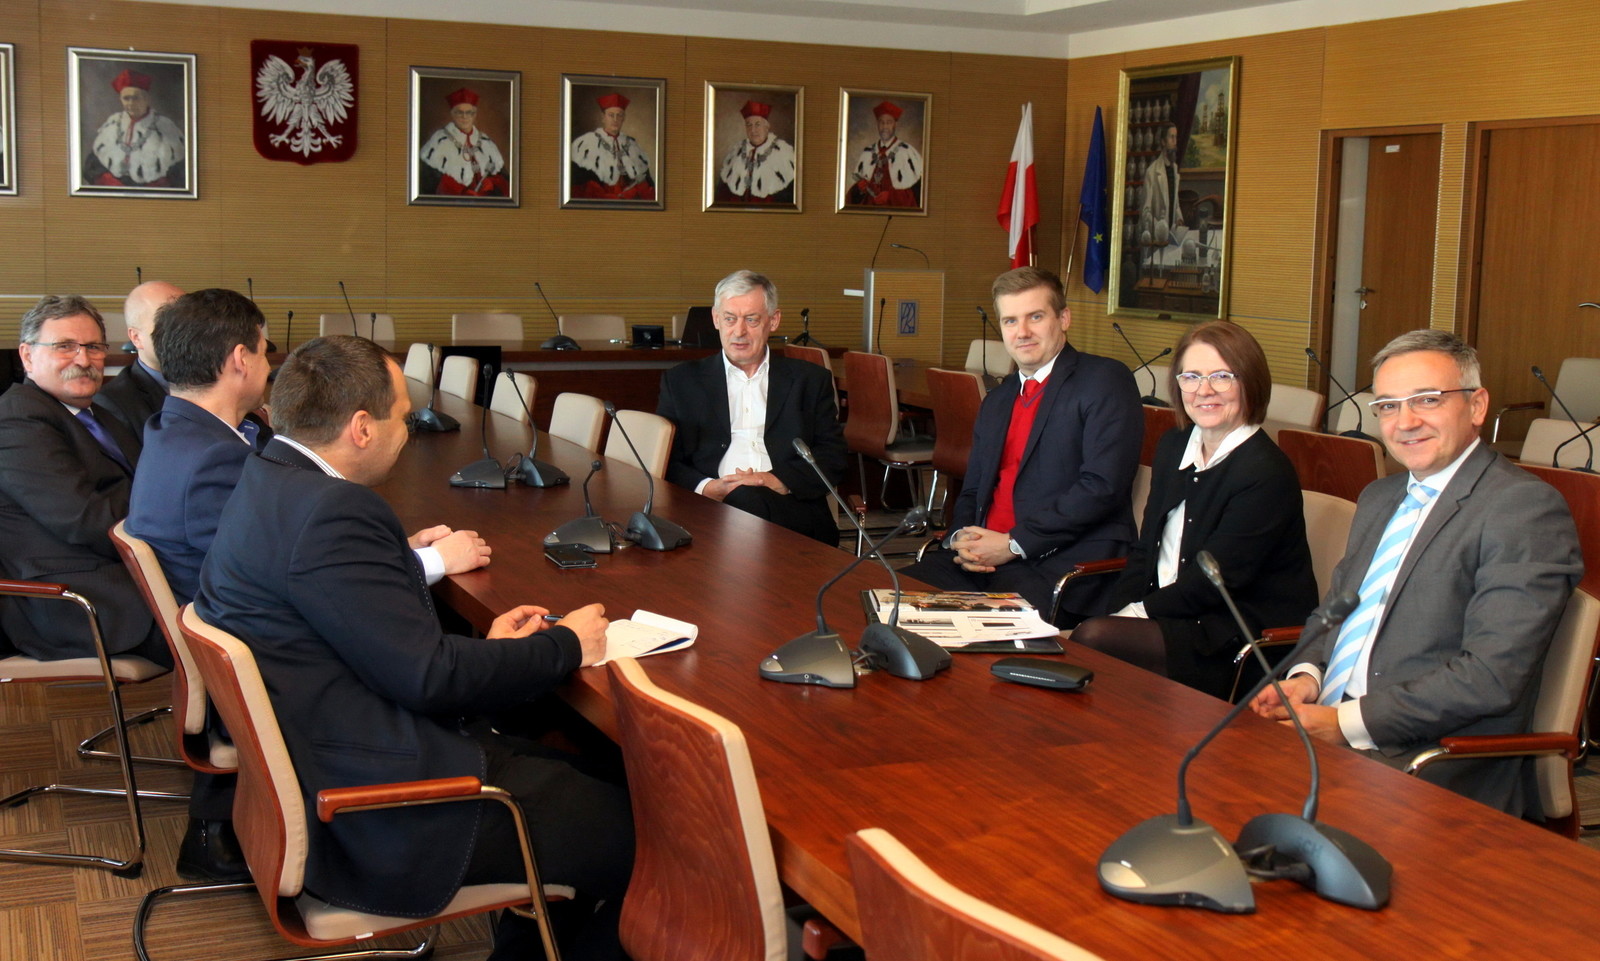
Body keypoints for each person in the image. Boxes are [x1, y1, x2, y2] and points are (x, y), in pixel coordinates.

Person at [195, 336, 631, 958]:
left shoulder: (268, 477)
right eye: (403, 417)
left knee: (598, 771)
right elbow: (428, 677)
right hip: (390, 809)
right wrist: (567, 644)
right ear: (361, 428)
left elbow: (377, 637)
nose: (410, 431)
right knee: (659, 840)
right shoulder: (332, 512)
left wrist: (487, 648)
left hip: (342, 759)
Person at [1251, 329, 1582, 817]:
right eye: (1388, 406)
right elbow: (1334, 612)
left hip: (1429, 761)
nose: (1405, 422)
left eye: (1427, 399)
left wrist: (1344, 723)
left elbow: (1490, 677)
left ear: (1476, 405)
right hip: (1332, 731)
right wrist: (1308, 676)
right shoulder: (1380, 497)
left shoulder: (1522, 508)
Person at [1072, 321, 1318, 698]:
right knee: (1096, 644)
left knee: (1094, 640)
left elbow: (1214, 583)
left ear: (1250, 382)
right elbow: (1145, 550)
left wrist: (1133, 614)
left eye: (1221, 376)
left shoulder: (1265, 471)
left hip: (1234, 633)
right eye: (1191, 377)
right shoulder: (1174, 445)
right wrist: (1123, 610)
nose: (1204, 390)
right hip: (1171, 615)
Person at [902, 267, 1142, 622]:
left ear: (1063, 319)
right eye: (1010, 321)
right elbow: (973, 489)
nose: (1023, 332)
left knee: (969, 629)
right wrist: (962, 539)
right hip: (979, 563)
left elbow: (1101, 487)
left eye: (1035, 317)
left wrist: (1013, 543)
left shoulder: (1104, 380)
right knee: (886, 599)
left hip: (1056, 567)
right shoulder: (998, 400)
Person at [0, 295, 161, 662]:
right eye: (65, 347)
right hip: (77, 600)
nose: (83, 360)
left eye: (93, 347)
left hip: (131, 577)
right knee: (236, 632)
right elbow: (83, 519)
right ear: (27, 355)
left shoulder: (100, 416)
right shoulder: (16, 418)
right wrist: (165, 513)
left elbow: (145, 490)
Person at [656, 270, 846, 545]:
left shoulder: (809, 380)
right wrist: (707, 487)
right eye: (730, 319)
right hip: (709, 506)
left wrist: (773, 480)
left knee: (746, 500)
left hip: (790, 506)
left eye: (751, 319)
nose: (739, 331)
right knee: (741, 502)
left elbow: (833, 455)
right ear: (716, 319)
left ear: (773, 320)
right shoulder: (682, 381)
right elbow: (665, 458)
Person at [95, 280, 183, 438]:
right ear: (136, 337)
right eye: (167, 325)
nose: (183, 333)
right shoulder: (114, 403)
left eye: (188, 323)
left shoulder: (216, 378)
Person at [83, 68, 186, 188]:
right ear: (120, 99)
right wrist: (109, 182)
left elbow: (180, 171)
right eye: (126, 98)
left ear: (146, 99)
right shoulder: (112, 124)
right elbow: (92, 166)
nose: (131, 103)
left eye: (136, 98)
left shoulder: (165, 126)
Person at [418, 87, 508, 197]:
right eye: (459, 112)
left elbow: (504, 181)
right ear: (452, 114)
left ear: (474, 115)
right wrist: (461, 192)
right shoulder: (439, 141)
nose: (464, 117)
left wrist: (492, 183)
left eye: (469, 112)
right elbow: (428, 183)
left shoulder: (485, 141)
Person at [570, 92, 654, 201]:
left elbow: (649, 189)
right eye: (611, 115)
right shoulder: (586, 144)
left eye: (619, 115)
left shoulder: (633, 145)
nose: (615, 119)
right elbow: (580, 190)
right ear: (603, 117)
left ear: (623, 118)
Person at [716, 100, 796, 204]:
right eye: (749, 125)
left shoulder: (783, 152)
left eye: (757, 124)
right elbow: (722, 195)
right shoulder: (736, 152)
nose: (753, 130)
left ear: (767, 127)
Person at [847, 100, 923, 207]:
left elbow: (918, 195)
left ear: (895, 124)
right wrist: (859, 189)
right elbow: (852, 199)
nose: (885, 127)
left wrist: (891, 196)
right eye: (881, 122)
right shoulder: (868, 152)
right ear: (877, 124)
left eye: (889, 122)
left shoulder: (907, 151)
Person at [1140, 122, 1180, 245]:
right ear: (1163, 142)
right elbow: (1145, 212)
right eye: (1171, 137)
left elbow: (1175, 203)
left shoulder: (1174, 169)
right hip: (1157, 240)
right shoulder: (1152, 172)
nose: (1175, 141)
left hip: (1172, 239)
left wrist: (1179, 219)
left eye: (1176, 137)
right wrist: (1160, 229)